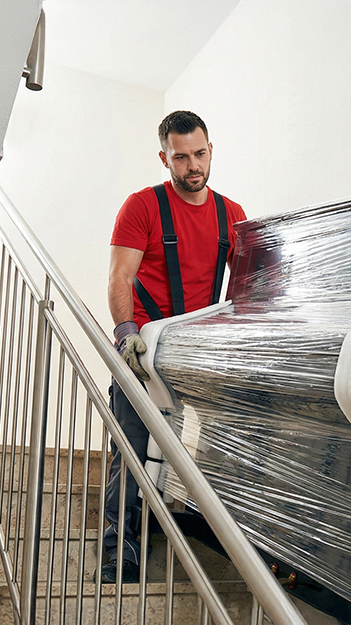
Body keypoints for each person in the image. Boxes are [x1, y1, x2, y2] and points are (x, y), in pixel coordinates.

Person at [100, 110, 246, 583]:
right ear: (164, 158)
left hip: (195, 353)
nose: (192, 165)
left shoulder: (232, 215)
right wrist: (126, 333)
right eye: (181, 157)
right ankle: (117, 552)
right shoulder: (142, 206)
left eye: (200, 154)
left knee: (211, 449)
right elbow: (120, 276)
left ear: (210, 150)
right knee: (131, 448)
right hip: (143, 349)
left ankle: (200, 541)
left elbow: (244, 288)